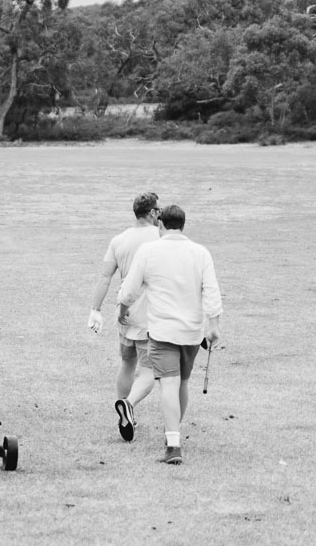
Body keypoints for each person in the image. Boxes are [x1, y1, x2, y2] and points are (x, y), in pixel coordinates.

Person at [116, 204, 222, 465]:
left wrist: (122, 310)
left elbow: (130, 289)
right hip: (192, 332)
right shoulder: (200, 253)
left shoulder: (149, 250)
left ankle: (173, 444)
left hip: (163, 331)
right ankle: (172, 435)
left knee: (168, 384)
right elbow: (211, 290)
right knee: (182, 384)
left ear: (161, 224)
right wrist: (214, 324)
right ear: (183, 225)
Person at [87, 192, 162, 442]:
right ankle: (129, 405)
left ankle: (127, 413)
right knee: (150, 368)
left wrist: (95, 309)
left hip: (123, 312)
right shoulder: (161, 235)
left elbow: (105, 277)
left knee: (127, 363)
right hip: (148, 313)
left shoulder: (119, 240)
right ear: (152, 212)